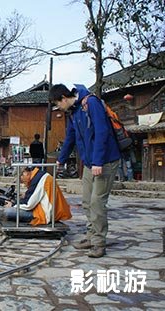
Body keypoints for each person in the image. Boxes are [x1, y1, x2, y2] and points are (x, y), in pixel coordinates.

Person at [49, 84, 121, 258]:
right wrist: (61, 159)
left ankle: (99, 243)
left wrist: (98, 161)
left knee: (97, 202)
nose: (59, 108)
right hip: (90, 163)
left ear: (63, 99)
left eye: (58, 104)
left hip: (105, 161)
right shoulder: (74, 112)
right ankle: (90, 236)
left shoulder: (91, 103)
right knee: (87, 201)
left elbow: (102, 132)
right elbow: (70, 138)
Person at [0, 166, 71, 225]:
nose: (22, 182)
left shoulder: (38, 180)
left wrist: (13, 205)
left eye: (21, 178)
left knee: (8, 211)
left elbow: (29, 204)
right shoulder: (39, 176)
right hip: (48, 209)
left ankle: (4, 215)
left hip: (45, 213)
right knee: (14, 208)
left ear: (25, 173)